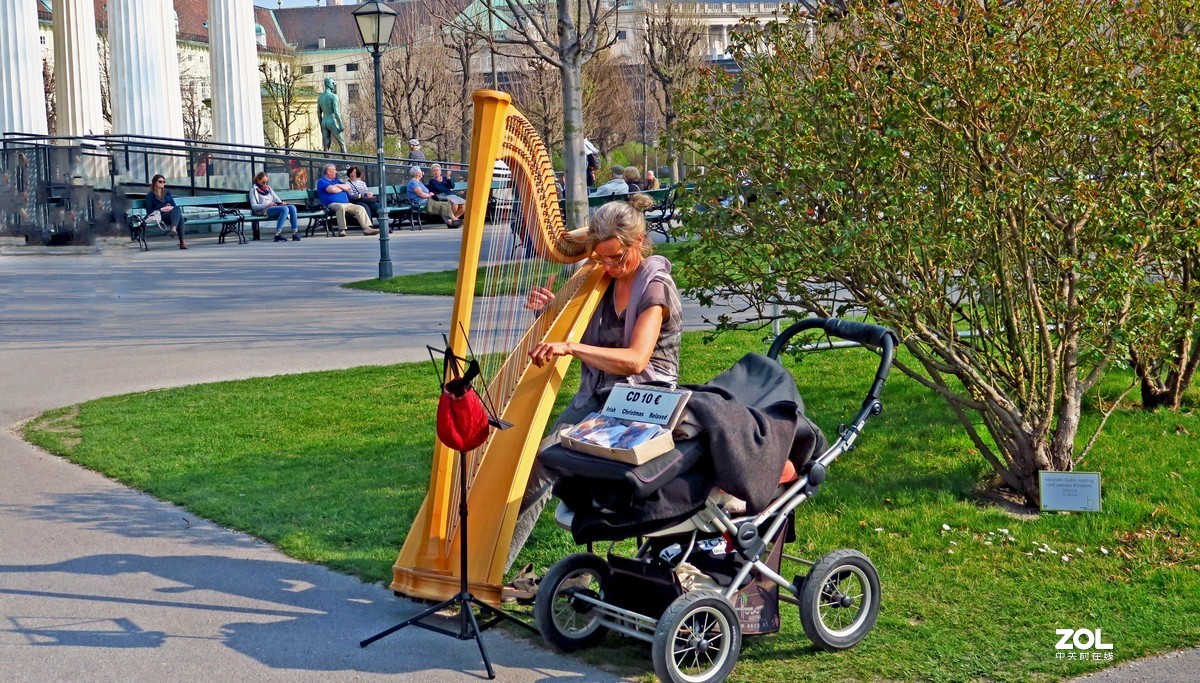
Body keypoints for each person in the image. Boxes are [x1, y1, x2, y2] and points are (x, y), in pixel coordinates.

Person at [508, 194, 683, 571]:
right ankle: (487, 565)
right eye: (601, 258)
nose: (609, 266)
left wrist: (571, 347)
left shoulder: (655, 286)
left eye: (616, 257)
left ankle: (490, 560)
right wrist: (550, 308)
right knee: (531, 463)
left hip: (641, 404)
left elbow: (636, 359)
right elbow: (578, 328)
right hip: (597, 397)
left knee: (546, 459)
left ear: (638, 242)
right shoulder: (600, 279)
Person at [316, 163, 377, 237]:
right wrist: (341, 188)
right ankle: (342, 230)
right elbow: (332, 189)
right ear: (328, 172)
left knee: (360, 208)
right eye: (334, 170)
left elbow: (348, 187)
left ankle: (367, 228)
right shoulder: (322, 181)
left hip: (346, 203)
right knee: (340, 207)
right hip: (332, 204)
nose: (336, 172)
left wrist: (337, 185)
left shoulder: (336, 181)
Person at [249, 172, 300, 242]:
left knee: (292, 207)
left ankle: (295, 233)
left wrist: (281, 203)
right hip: (264, 210)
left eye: (266, 182)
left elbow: (276, 199)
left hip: (272, 207)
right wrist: (267, 205)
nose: (265, 184)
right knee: (285, 209)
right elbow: (254, 206)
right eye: (263, 182)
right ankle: (277, 234)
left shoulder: (268, 188)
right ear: (258, 180)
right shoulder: (253, 191)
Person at [144, 174, 187, 249]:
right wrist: (161, 209)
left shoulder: (167, 193)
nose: (162, 183)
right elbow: (149, 212)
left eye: (164, 182)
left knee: (177, 209)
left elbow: (174, 205)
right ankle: (181, 242)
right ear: (154, 182)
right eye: (160, 181)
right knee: (180, 217)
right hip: (160, 216)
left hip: (171, 215)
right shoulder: (150, 196)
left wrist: (170, 208)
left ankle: (173, 228)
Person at [317, 78, 347, 153]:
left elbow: (319, 113)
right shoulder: (333, 96)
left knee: (326, 145)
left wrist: (321, 125)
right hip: (331, 120)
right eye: (332, 83)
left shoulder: (320, 98)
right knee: (342, 143)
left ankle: (326, 160)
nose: (333, 84)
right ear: (327, 84)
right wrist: (341, 124)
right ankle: (346, 161)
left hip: (324, 121)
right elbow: (336, 112)